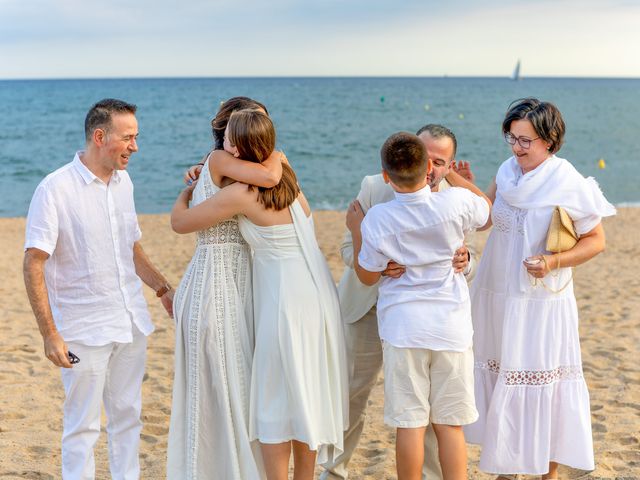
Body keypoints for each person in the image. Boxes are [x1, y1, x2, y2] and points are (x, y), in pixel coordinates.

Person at [171, 109, 348, 480]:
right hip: (316, 293)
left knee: (273, 399)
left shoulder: (241, 192)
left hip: (284, 298)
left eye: (231, 140)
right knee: (306, 391)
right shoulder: (291, 182)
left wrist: (186, 192)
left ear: (239, 146)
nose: (227, 147)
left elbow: (181, 223)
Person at [464, 98, 616, 479]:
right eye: (511, 138)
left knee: (544, 380)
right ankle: (507, 469)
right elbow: (487, 219)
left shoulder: (568, 181)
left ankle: (548, 475)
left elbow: (595, 240)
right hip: (498, 294)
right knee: (505, 377)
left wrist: (551, 262)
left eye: (525, 141)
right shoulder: (506, 171)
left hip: (541, 301)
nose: (516, 148)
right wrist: (462, 185)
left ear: (550, 140)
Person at [23, 98, 174, 479]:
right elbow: (33, 262)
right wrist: (49, 334)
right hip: (82, 329)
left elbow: (131, 246)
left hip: (130, 321)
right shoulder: (54, 189)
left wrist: (161, 288)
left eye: (136, 137)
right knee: (83, 427)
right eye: (128, 138)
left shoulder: (125, 183)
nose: (135, 147)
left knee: (128, 418)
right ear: (100, 135)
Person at [321, 124, 477, 480]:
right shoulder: (375, 186)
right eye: (428, 156)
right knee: (350, 394)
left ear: (450, 164)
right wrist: (382, 263)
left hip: (419, 320)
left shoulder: (454, 197)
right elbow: (349, 250)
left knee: (425, 409)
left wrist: (466, 261)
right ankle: (334, 469)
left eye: (442, 161)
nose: (432, 167)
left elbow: (470, 255)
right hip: (367, 306)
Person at [167, 96, 286, 479]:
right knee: (219, 381)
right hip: (213, 283)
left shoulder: (230, 168)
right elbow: (270, 178)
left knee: (237, 381)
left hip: (236, 281)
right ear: (229, 130)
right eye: (251, 125)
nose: (260, 135)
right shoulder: (221, 161)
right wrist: (279, 156)